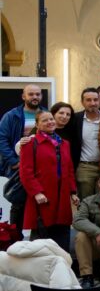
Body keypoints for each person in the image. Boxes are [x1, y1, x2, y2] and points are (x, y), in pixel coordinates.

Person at [19, 111, 79, 250]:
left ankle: (62, 262)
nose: (50, 122)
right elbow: (26, 172)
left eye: (51, 119)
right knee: (41, 243)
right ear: (37, 124)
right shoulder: (30, 143)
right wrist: (37, 192)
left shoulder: (64, 143)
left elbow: (69, 169)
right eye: (45, 120)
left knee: (62, 239)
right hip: (43, 197)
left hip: (62, 197)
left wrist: (72, 192)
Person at [0, 84, 45, 229]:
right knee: (18, 203)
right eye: (31, 94)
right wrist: (13, 161)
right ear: (23, 96)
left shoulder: (46, 114)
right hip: (19, 168)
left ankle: (37, 238)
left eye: (37, 94)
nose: (34, 97)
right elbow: (2, 139)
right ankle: (15, 236)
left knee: (39, 204)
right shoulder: (11, 116)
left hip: (40, 169)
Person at [73, 88, 100, 199]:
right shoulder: (75, 118)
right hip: (84, 167)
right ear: (82, 102)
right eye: (88, 100)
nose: (93, 103)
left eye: (95, 100)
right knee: (86, 201)